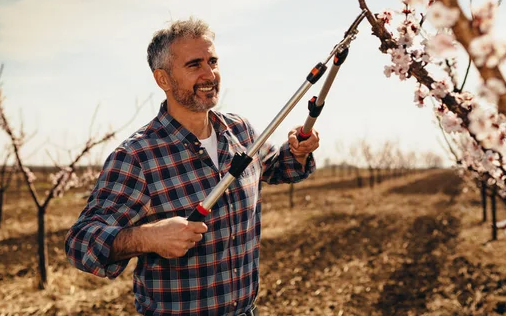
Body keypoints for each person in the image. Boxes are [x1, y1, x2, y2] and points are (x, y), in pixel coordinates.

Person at [65, 18, 320, 315]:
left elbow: (279, 168)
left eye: (212, 61)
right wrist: (148, 237)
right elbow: (80, 242)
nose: (209, 74)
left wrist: (298, 151)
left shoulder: (241, 132)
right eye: (194, 65)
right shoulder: (137, 157)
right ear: (163, 80)